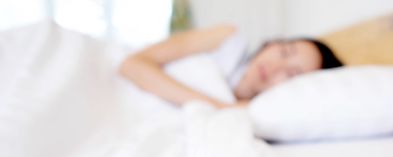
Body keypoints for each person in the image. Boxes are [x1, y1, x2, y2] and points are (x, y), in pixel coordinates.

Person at [119, 24, 343, 109]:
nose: (276, 66)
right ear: (273, 43)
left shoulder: (260, 113)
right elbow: (131, 65)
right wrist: (217, 106)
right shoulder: (227, 40)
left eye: (291, 74)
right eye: (284, 52)